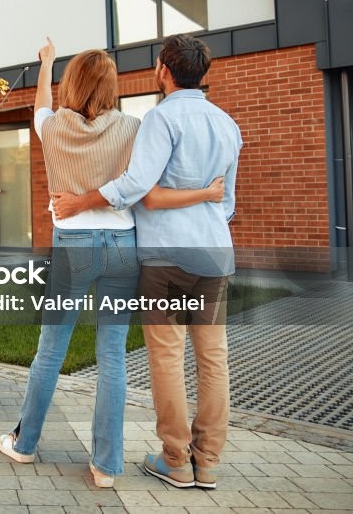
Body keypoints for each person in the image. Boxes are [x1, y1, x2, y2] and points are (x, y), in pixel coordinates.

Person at [0, 39, 222, 488]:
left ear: (72, 84)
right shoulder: (134, 128)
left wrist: (46, 64)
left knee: (51, 350)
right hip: (123, 245)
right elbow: (143, 181)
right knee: (112, 354)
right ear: (110, 86)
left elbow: (40, 104)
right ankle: (106, 466)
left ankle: (24, 444)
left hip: (73, 246)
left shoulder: (52, 127)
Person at [52, 33, 241, 490]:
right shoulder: (227, 124)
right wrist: (202, 203)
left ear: (163, 70)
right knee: (214, 359)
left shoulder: (160, 119)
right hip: (215, 253)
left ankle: (176, 460)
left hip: (166, 258)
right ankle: (208, 463)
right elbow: (227, 202)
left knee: (168, 358)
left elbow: (138, 187)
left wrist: (81, 202)